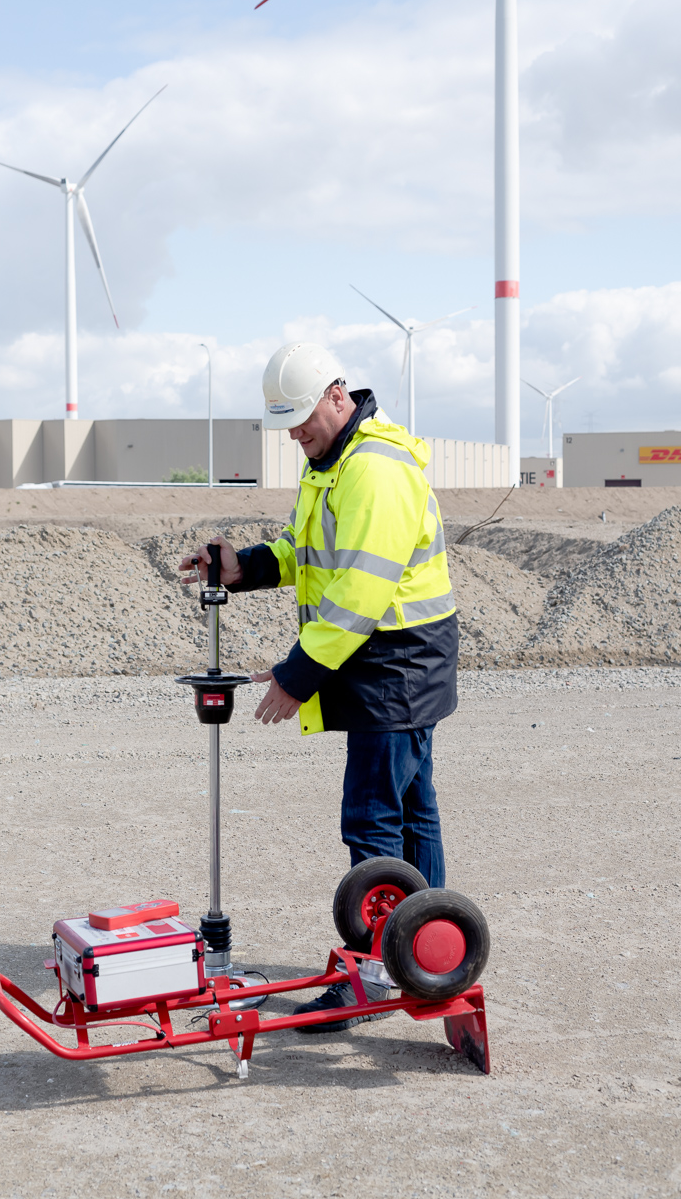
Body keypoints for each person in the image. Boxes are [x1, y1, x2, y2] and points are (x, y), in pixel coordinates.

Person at [180, 341, 458, 1030]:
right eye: (290, 428)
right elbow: (310, 554)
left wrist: (296, 677)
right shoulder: (331, 464)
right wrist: (242, 565)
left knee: (372, 816)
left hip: (394, 657)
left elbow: (358, 595)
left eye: (304, 421)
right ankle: (425, 952)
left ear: (339, 394)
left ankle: (370, 973)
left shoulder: (374, 471)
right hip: (387, 657)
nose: (298, 437)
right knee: (409, 812)